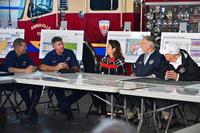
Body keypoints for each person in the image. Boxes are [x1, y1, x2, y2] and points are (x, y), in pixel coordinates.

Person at [40, 36, 86, 120]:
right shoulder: (50, 55)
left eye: (62, 44)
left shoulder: (69, 53)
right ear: (54, 46)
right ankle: (68, 112)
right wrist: (56, 68)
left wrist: (68, 68)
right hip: (56, 80)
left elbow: (77, 68)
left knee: (83, 90)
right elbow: (42, 66)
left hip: (70, 79)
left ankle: (64, 105)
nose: (62, 46)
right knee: (58, 89)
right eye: (59, 44)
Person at [2, 38, 42, 121]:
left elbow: (33, 65)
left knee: (38, 86)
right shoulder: (11, 55)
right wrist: (25, 70)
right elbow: (10, 69)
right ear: (18, 47)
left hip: (23, 80)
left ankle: (30, 109)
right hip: (9, 82)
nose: (26, 48)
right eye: (24, 46)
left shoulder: (25, 55)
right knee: (24, 89)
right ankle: (31, 111)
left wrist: (32, 67)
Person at [91, 40, 127, 117]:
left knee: (101, 89)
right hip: (104, 84)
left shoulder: (119, 60)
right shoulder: (104, 59)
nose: (106, 49)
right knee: (94, 89)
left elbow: (120, 75)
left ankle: (119, 109)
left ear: (114, 49)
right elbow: (100, 73)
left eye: (108, 47)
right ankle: (103, 110)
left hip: (116, 84)